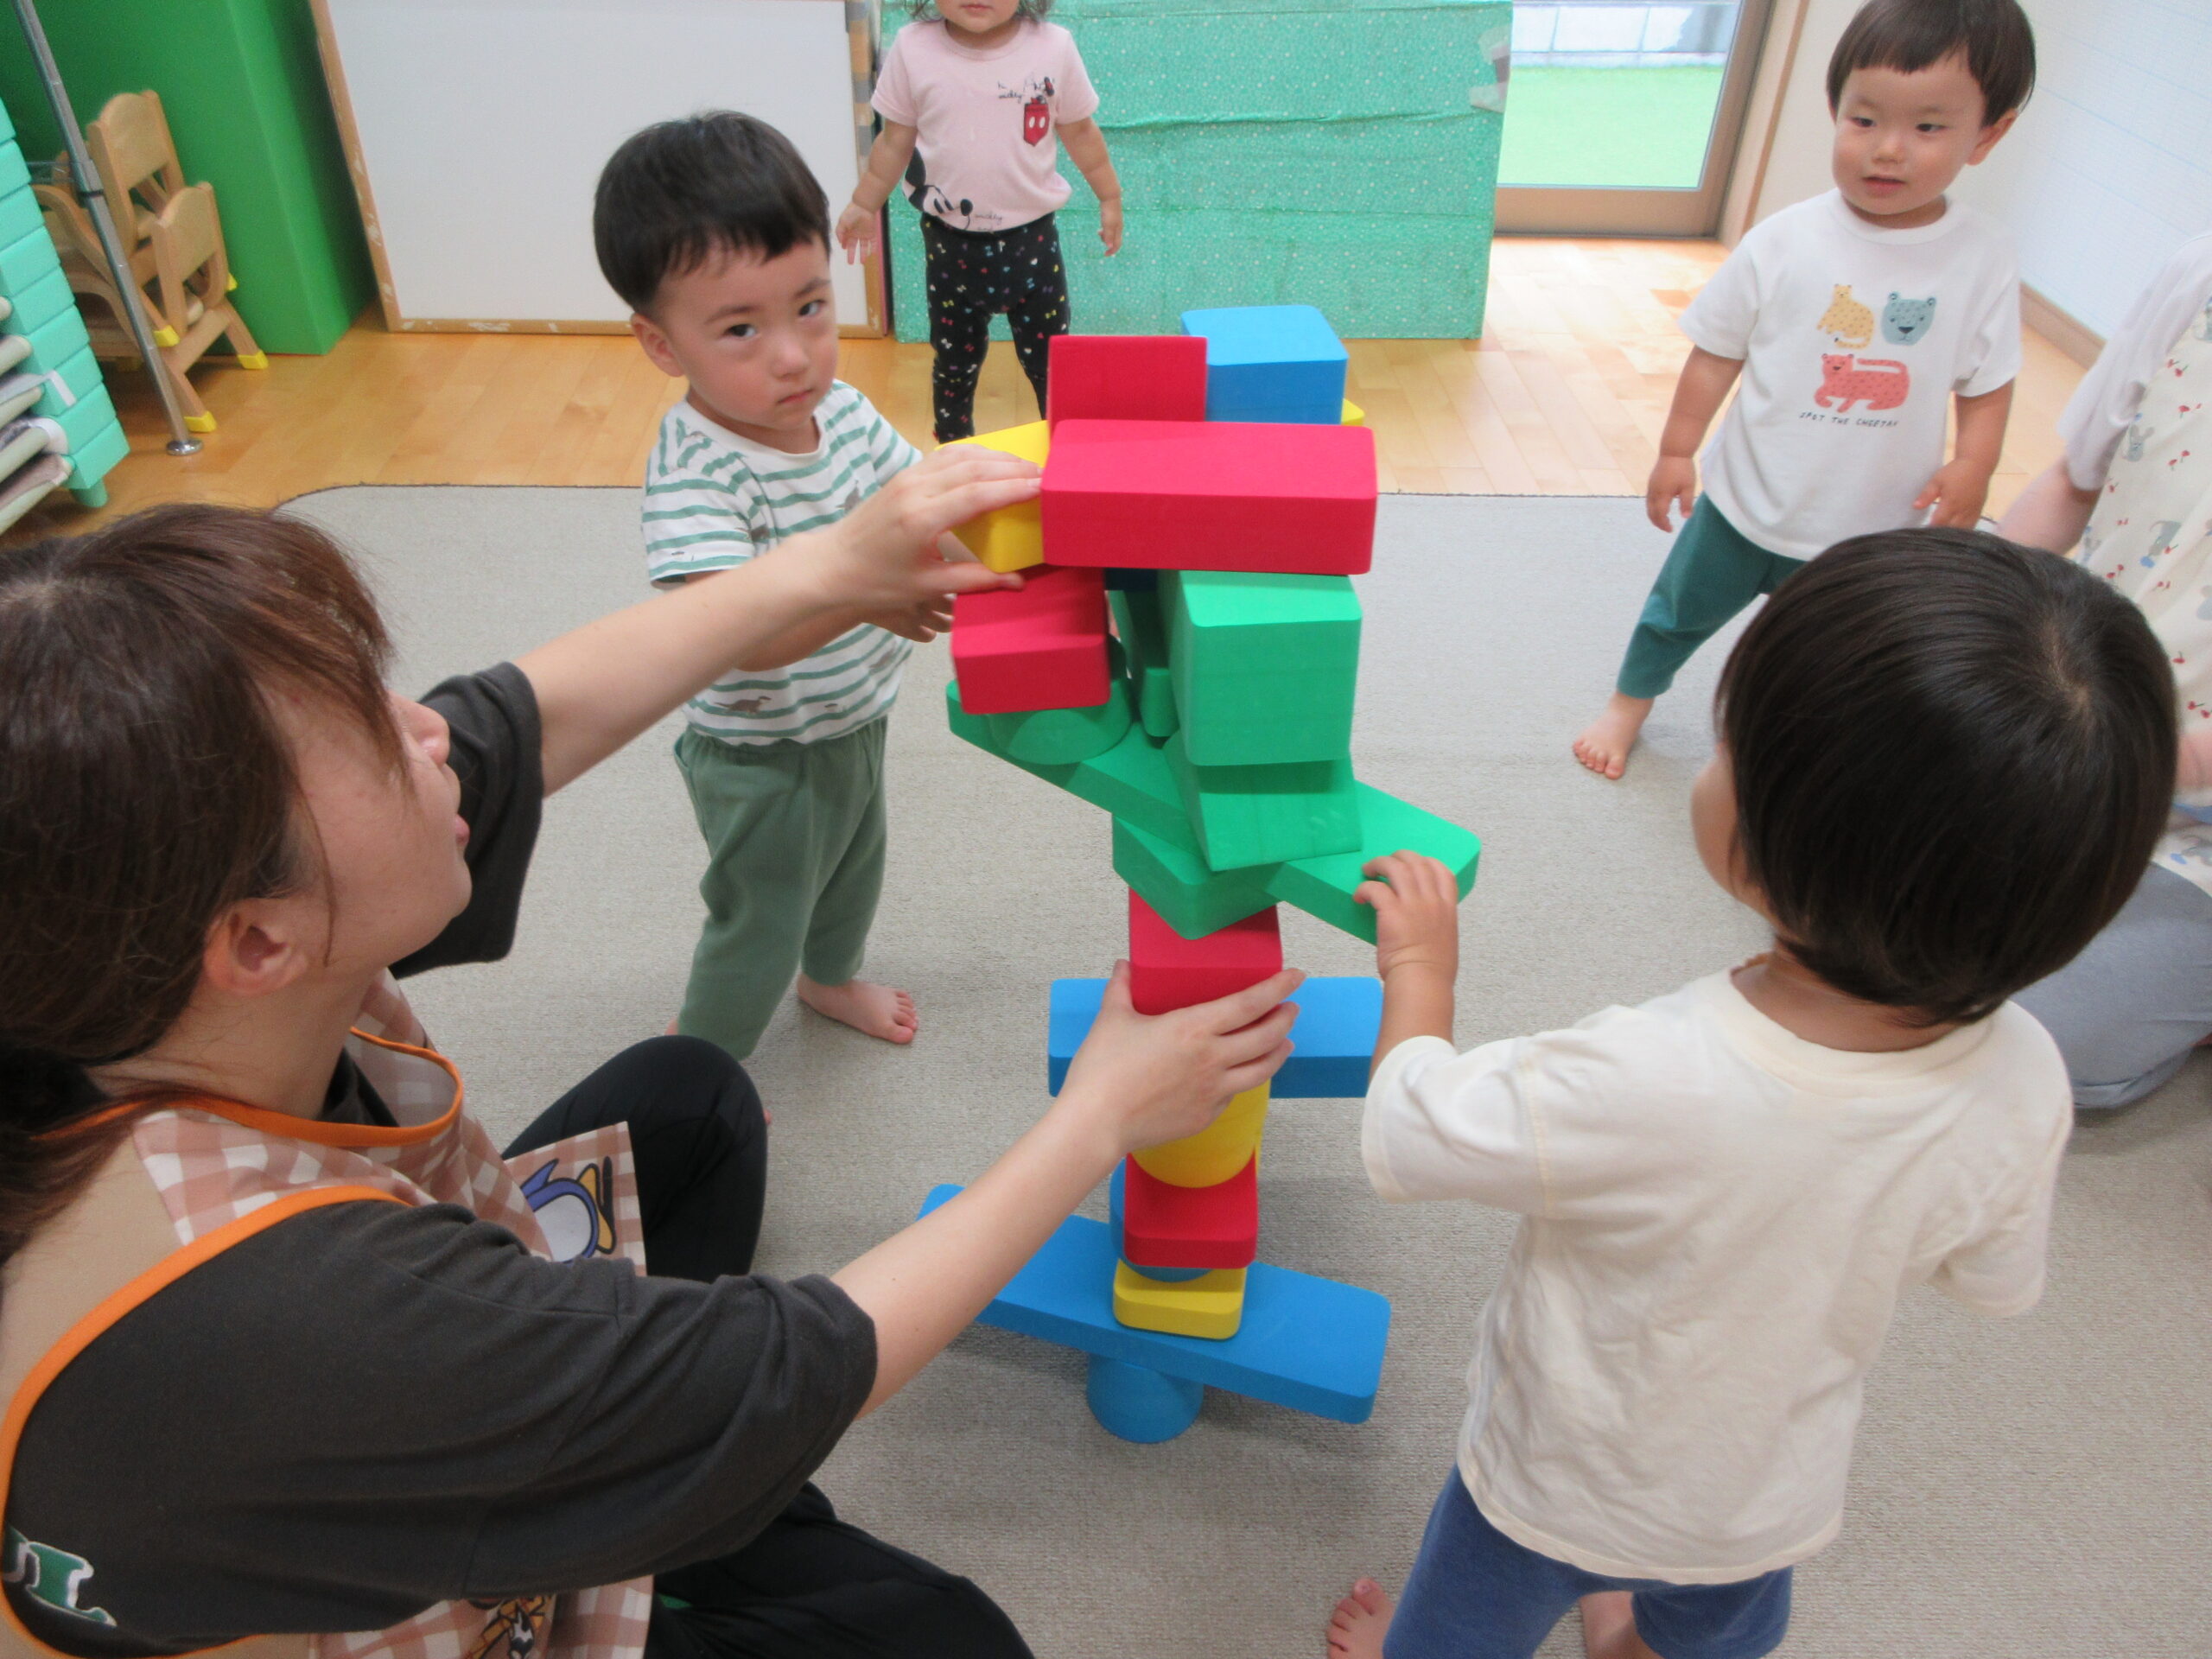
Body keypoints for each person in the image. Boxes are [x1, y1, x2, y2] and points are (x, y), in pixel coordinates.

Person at [0, 491, 1305, 1659]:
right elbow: (783, 1372)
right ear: (257, 944)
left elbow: (518, 718)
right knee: (951, 1638)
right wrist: (1100, 1117)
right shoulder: (291, 1331)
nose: (427, 728)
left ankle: (628, 1470)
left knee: (692, 1103)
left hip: (355, 1411)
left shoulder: (118, 947)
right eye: (374, 735)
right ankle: (636, 1489)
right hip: (395, 1570)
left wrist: (830, 563)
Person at [1329, 530, 2174, 1659]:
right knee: (1704, 1633)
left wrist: (1419, 970)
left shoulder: (1645, 1074)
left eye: (1727, 746)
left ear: (1766, 852)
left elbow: (1409, 1130)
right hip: (1762, 1503)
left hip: (1552, 1487)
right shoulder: (2028, 1075)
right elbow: (1985, 1275)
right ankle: (1630, 1637)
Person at [1573, 0, 2033, 780]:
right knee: (1676, 612)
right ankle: (1630, 701)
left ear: (1988, 134)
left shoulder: (1981, 257)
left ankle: (1783, 742)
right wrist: (1677, 450)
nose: (1887, 149)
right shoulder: (1786, 239)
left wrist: (1975, 466)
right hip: (1744, 502)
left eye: (1928, 127)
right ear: (1834, 108)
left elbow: (1987, 383)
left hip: (1871, 527)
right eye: (1864, 119)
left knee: (1837, 657)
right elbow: (1716, 352)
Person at [596, 112, 945, 1060]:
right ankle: (698, 1063)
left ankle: (828, 977)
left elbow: (917, 499)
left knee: (853, 873)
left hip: (853, 713)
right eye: (741, 329)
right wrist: (871, 597)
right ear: (662, 344)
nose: (793, 355)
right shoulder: (699, 470)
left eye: (811, 307)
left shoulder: (846, 412)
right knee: (759, 916)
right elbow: (738, 634)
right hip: (760, 750)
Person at [1998, 230, 2212, 1107]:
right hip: (2081, 730)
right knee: (1840, 881)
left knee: (2037, 1044)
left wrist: (2157, 760)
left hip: (2181, 808)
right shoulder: (2198, 268)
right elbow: (2073, 481)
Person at [835, 0, 1122, 441]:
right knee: (953, 364)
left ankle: (1066, 448)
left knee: (1051, 364)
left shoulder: (1053, 47)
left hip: (1032, 246)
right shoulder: (913, 48)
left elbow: (1080, 131)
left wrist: (1110, 195)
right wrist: (863, 202)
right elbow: (894, 142)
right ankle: (954, 448)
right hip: (951, 248)